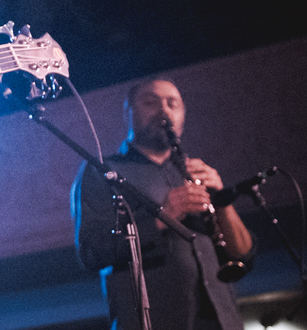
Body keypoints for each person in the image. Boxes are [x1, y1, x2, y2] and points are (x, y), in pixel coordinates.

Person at [71, 78, 254, 329]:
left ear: (183, 117)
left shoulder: (193, 171)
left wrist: (221, 200)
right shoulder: (103, 171)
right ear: (128, 113)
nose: (164, 110)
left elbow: (243, 254)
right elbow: (91, 252)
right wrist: (164, 216)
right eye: (150, 102)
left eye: (172, 104)